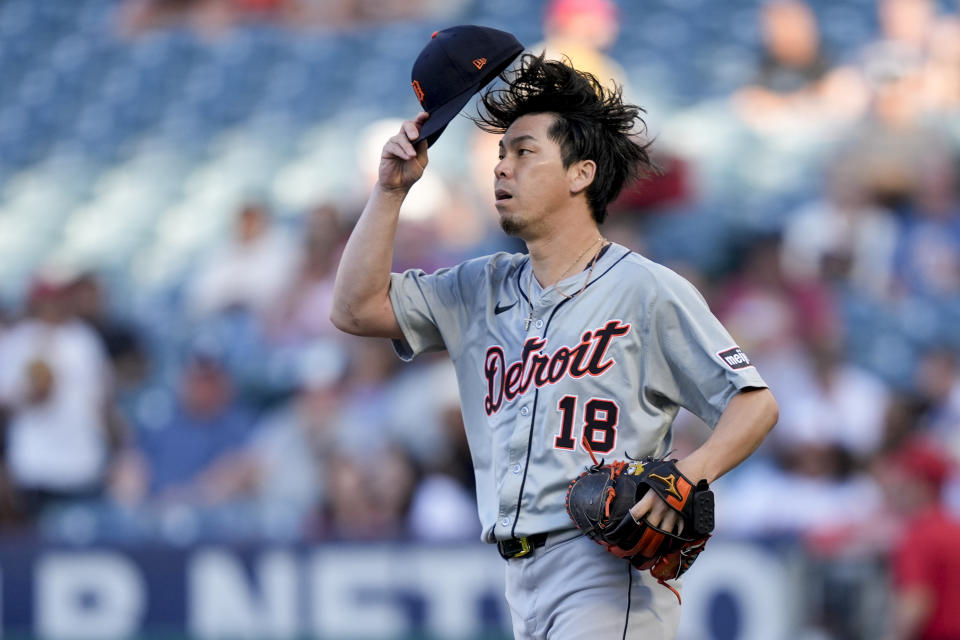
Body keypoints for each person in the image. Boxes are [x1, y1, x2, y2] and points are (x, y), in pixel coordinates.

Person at [330, 53, 778, 639]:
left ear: (580, 173)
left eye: (523, 152)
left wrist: (689, 473)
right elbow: (355, 309)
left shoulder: (644, 289)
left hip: (602, 569)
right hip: (519, 576)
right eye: (499, 154)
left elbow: (754, 402)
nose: (501, 170)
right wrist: (389, 193)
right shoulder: (479, 286)